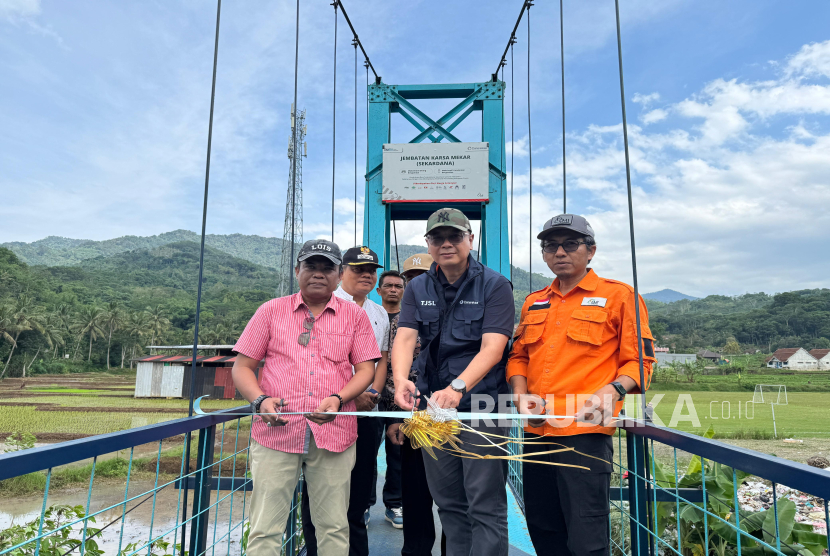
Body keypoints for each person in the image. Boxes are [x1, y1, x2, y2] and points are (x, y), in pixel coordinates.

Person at [507, 214, 657, 556]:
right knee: (544, 529)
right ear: (544, 254)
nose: (560, 252)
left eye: (570, 244)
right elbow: (518, 357)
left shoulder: (620, 297)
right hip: (537, 432)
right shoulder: (534, 302)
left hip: (585, 435)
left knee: (587, 537)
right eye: (550, 245)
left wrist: (614, 389)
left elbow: (641, 361)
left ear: (590, 251)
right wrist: (519, 391)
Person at [231, 239, 380, 556]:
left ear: (339, 275)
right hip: (276, 432)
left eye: (327, 268)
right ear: (297, 270)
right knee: (264, 529)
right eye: (311, 266)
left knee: (334, 527)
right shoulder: (271, 311)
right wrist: (260, 400)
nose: (318, 273)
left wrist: (339, 399)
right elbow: (243, 367)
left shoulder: (354, 316)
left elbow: (366, 369)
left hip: (334, 433)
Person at [392, 208, 515, 556]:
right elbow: (404, 338)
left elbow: (493, 348)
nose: (446, 244)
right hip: (434, 409)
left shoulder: (495, 285)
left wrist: (459, 387)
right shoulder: (417, 287)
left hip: (484, 407)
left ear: (470, 240)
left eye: (454, 236)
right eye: (437, 238)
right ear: (428, 245)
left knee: (484, 505)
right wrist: (402, 378)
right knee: (449, 503)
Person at [303, 246, 389, 556]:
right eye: (357, 269)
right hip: (329, 414)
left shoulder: (379, 313)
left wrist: (372, 395)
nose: (366, 274)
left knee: (358, 489)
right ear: (341, 274)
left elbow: (381, 361)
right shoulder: (323, 305)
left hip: (364, 414)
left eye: (371, 270)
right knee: (318, 491)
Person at [370, 269, 406, 529]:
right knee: (365, 452)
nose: (393, 290)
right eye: (388, 286)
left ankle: (395, 504)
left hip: (400, 397)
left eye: (398, 286)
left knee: (398, 451)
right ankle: (363, 504)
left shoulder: (412, 318)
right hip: (368, 394)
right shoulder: (367, 315)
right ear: (378, 290)